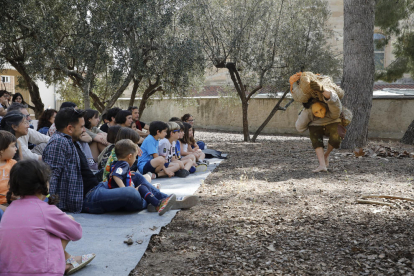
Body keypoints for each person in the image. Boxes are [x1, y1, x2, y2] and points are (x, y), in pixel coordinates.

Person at [42, 108, 149, 213]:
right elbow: (51, 177)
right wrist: (51, 208)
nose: (84, 130)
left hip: (96, 187)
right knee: (129, 193)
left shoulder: (72, 141)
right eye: (82, 127)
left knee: (136, 177)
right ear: (70, 128)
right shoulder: (58, 143)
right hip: (86, 197)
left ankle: (161, 199)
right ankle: (149, 200)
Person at [0, 159, 95, 275]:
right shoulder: (46, 210)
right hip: (44, 272)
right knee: (67, 221)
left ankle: (67, 259)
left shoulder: (9, 210)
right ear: (44, 184)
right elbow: (76, 233)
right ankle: (63, 262)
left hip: (7, 272)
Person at [108, 139, 176, 215]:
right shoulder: (124, 164)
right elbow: (115, 175)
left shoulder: (116, 163)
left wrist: (127, 174)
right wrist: (125, 190)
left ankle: (157, 198)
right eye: (135, 157)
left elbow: (116, 172)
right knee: (143, 187)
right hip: (126, 195)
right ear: (130, 156)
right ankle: (158, 204)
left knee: (143, 186)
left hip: (126, 192)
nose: (135, 160)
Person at [295, 81, 342, 173]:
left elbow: (334, 100)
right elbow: (299, 128)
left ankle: (326, 154)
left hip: (333, 121)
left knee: (336, 139)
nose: (320, 114)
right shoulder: (308, 111)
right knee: (316, 140)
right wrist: (306, 114)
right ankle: (322, 165)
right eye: (316, 112)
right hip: (315, 124)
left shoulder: (332, 107)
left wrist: (322, 89)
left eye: (321, 110)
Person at [0, 130, 17, 205]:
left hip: (13, 201)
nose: (16, 148)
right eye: (13, 146)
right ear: (1, 150)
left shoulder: (13, 164)